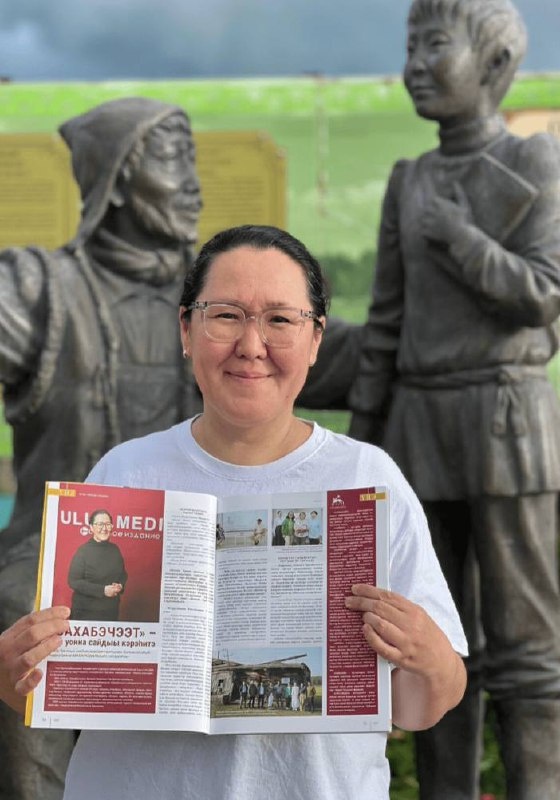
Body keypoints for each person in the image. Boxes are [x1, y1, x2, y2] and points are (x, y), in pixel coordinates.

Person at [0, 224, 466, 800]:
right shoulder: (124, 473)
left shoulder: (367, 479)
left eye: (280, 319)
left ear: (315, 338)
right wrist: (14, 668)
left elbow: (422, 707)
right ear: (186, 329)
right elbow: (47, 689)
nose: (251, 344)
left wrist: (429, 656)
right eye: (225, 315)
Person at [348, 2, 560, 798]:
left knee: (528, 647)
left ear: (496, 61)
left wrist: (461, 238)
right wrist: (360, 446)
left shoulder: (535, 162)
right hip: (418, 425)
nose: (414, 65)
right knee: (429, 636)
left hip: (508, 422)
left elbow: (544, 293)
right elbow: (386, 324)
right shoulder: (409, 180)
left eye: (434, 44)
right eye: (410, 46)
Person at [0, 96, 203, 800]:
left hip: (190, 566)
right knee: (24, 627)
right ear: (115, 179)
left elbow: (339, 354)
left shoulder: (216, 301)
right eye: (174, 162)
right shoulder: (39, 292)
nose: (194, 185)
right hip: (48, 569)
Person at [67, 510, 127, 621]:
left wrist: (120, 585)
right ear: (91, 528)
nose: (104, 528)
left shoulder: (115, 549)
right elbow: (73, 581)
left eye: (107, 524)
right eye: (100, 524)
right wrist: (103, 590)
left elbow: (123, 574)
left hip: (111, 611)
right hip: (86, 612)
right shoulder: (83, 551)